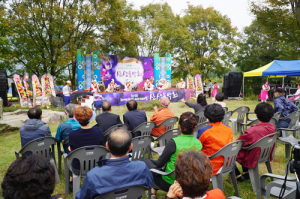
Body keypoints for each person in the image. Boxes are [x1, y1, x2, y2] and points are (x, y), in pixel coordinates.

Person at [76, 128, 153, 199]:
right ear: (130, 147)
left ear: (107, 146)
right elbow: (149, 185)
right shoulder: (142, 168)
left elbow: (81, 197)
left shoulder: (93, 176)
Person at [143, 112, 202, 198]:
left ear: (179, 126)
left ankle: (152, 190)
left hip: (171, 182)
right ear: (194, 128)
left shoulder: (173, 142)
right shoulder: (198, 143)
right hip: (189, 180)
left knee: (145, 161)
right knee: (153, 164)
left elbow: (160, 163)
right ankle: (154, 191)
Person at [235, 102, 276, 180]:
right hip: (265, 154)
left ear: (257, 115)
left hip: (253, 156)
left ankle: (237, 174)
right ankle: (246, 172)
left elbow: (239, 142)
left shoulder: (253, 131)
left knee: (233, 151)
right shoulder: (272, 127)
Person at [197, 104, 233, 176]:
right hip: (227, 163)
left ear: (207, 116)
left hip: (210, 166)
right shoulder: (229, 129)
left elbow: (197, 147)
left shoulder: (204, 131)